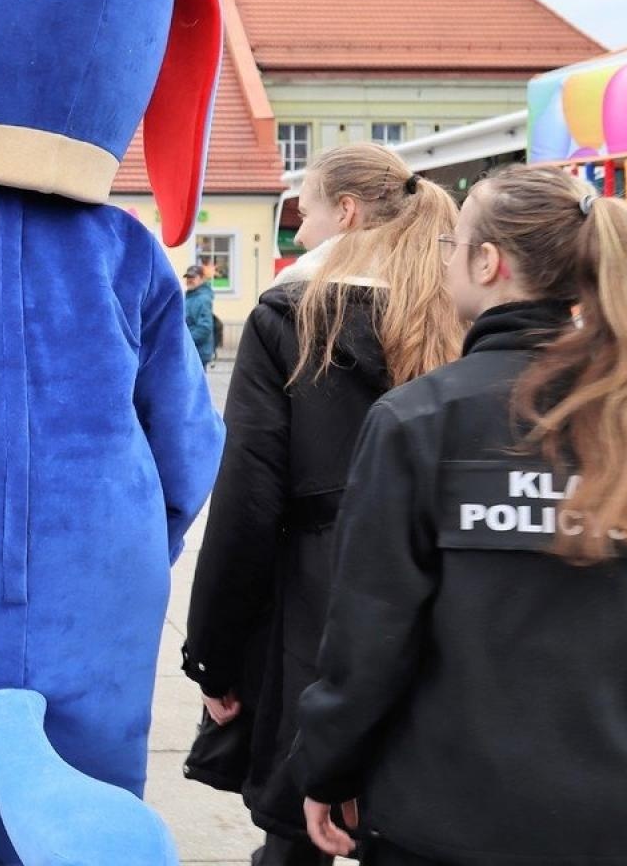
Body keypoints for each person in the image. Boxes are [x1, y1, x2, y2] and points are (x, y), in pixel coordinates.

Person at [296, 164, 627, 864]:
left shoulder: (418, 421)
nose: (446, 260)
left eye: (455, 242)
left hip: (445, 827)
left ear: (489, 262)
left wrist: (326, 767)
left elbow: (369, 637)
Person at [182, 143, 462, 866]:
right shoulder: (459, 312)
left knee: (296, 838)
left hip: (317, 603)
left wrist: (213, 656)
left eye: (301, 215)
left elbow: (246, 500)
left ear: (344, 212)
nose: (297, 235)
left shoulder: (291, 315)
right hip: (445, 603)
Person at [183, 262, 216, 370]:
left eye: (193, 277)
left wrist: (184, 340)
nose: (189, 280)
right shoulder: (189, 297)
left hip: (197, 353)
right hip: (191, 351)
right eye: (188, 277)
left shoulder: (202, 299)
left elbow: (204, 328)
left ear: (202, 278)